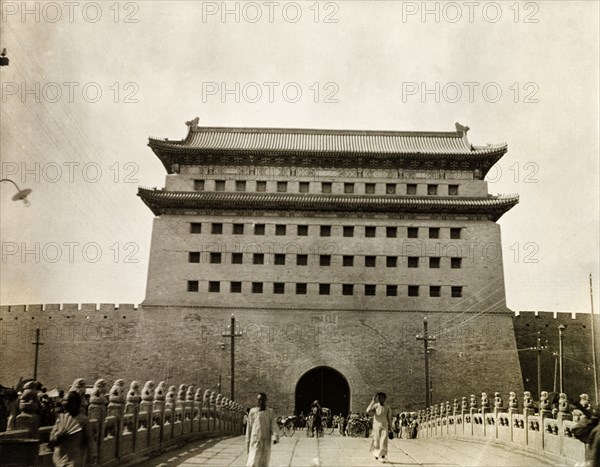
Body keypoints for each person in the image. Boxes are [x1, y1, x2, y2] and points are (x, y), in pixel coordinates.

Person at [49, 391, 97, 467]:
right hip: (59, 458)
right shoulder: (62, 418)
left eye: (67, 401)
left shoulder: (83, 420)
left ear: (75, 403)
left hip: (74, 458)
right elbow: (51, 438)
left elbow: (90, 439)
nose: (65, 403)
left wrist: (92, 455)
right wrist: (57, 435)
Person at [245, 393, 279, 467]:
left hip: (266, 440)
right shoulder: (252, 411)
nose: (260, 402)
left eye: (262, 400)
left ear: (265, 401)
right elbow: (249, 427)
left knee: (264, 461)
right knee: (253, 461)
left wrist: (275, 437)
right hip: (255, 440)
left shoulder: (270, 412)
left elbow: (274, 425)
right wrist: (248, 439)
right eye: (259, 400)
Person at [366, 392, 392, 462]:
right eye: (379, 398)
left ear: (385, 399)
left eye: (382, 398)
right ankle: (376, 454)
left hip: (384, 426)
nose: (381, 399)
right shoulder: (375, 406)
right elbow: (367, 411)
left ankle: (382, 456)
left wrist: (391, 429)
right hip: (376, 426)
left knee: (383, 442)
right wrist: (372, 401)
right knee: (376, 442)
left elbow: (389, 418)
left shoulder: (387, 408)